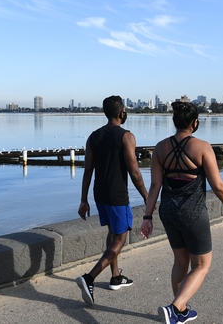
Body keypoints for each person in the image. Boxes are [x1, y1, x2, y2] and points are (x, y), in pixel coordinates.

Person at [141, 102, 223, 323]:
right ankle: (175, 308)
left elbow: (155, 186)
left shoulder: (160, 147)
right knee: (201, 266)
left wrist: (147, 216)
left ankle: (181, 311)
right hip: (192, 213)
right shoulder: (202, 147)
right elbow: (219, 186)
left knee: (180, 263)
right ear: (195, 122)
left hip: (168, 212)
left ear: (174, 121)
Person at [75, 95, 149, 306]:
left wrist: (83, 199)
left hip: (100, 193)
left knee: (112, 233)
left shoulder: (93, 137)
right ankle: (89, 278)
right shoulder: (126, 136)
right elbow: (135, 172)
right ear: (121, 113)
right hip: (117, 195)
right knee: (119, 239)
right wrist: (147, 196)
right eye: (125, 110)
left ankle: (116, 277)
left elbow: (87, 170)